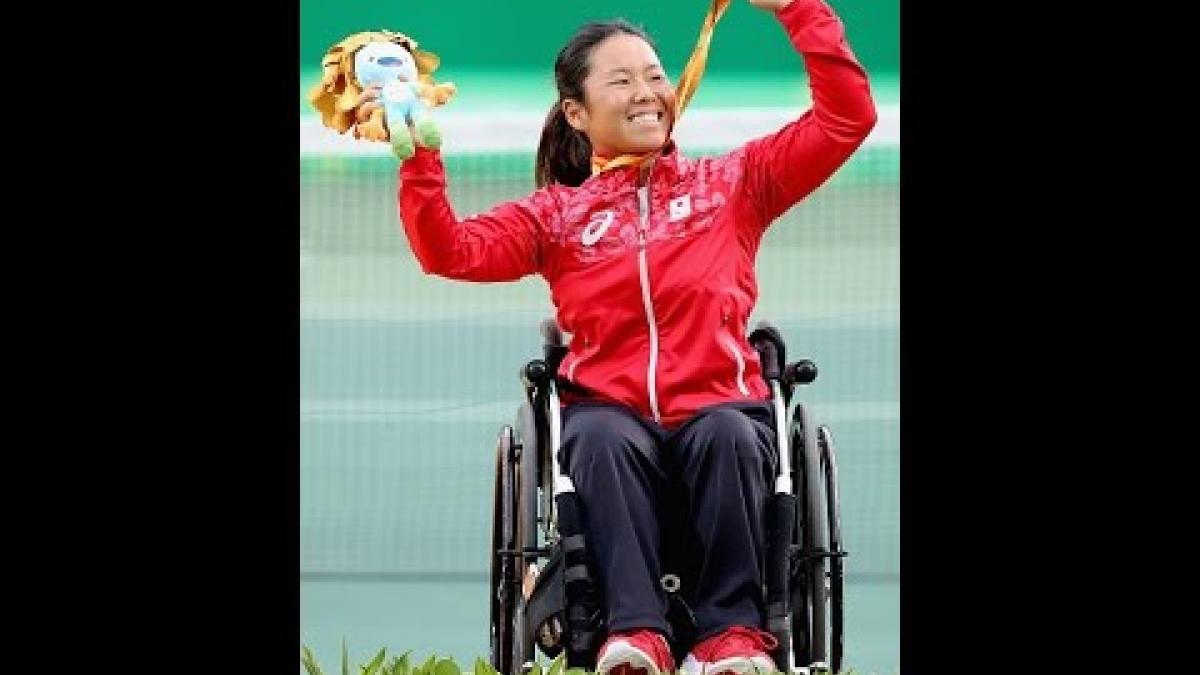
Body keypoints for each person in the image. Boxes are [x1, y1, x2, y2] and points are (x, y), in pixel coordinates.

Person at [364, 0, 875, 672]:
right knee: (598, 436)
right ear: (577, 112)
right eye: (621, 81)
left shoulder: (733, 185)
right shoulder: (557, 217)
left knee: (726, 432)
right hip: (612, 419)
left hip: (721, 406)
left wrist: (796, 8)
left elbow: (848, 118)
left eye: (654, 75)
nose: (646, 94)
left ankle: (733, 636)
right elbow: (449, 251)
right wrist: (417, 153)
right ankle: (635, 634)